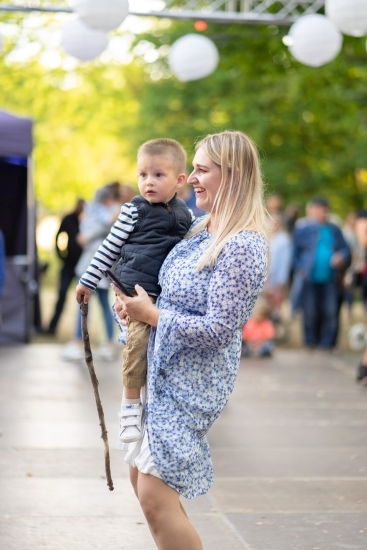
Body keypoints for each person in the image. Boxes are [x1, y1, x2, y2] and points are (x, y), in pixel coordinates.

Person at [113, 131, 269, 549]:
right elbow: (164, 291)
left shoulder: (243, 244)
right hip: (160, 375)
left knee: (153, 493)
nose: (193, 178)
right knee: (145, 486)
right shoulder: (200, 228)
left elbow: (220, 329)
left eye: (201, 169)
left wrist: (154, 315)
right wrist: (133, 306)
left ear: (232, 176)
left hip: (191, 385)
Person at [76, 139, 193, 443]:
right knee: (138, 342)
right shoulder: (133, 211)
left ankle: (161, 401)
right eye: (142, 175)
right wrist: (88, 281)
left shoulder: (185, 215)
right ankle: (130, 405)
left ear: (180, 180)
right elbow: (109, 247)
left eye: (158, 175)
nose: (148, 182)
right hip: (136, 288)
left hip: (166, 293)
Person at [61, 184, 121, 361]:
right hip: (91, 265)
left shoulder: (115, 212)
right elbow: (84, 235)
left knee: (102, 305)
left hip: (102, 268)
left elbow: (97, 232)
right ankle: (79, 342)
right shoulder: (97, 211)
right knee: (84, 306)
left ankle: (107, 343)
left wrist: (92, 230)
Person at [291, 196, 351, 350]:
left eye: (324, 210)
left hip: (330, 278)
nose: (321, 213)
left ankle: (327, 344)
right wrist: (301, 269)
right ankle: (310, 343)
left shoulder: (334, 230)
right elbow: (295, 253)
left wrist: (341, 257)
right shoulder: (303, 230)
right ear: (311, 210)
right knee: (309, 312)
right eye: (318, 209)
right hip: (309, 278)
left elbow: (345, 250)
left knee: (330, 312)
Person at [46, 199, 85, 335]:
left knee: (83, 298)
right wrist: (61, 255)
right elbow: (58, 236)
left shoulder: (86, 220)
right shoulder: (68, 219)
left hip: (83, 264)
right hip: (68, 263)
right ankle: (52, 327)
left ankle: (80, 332)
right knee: (62, 293)